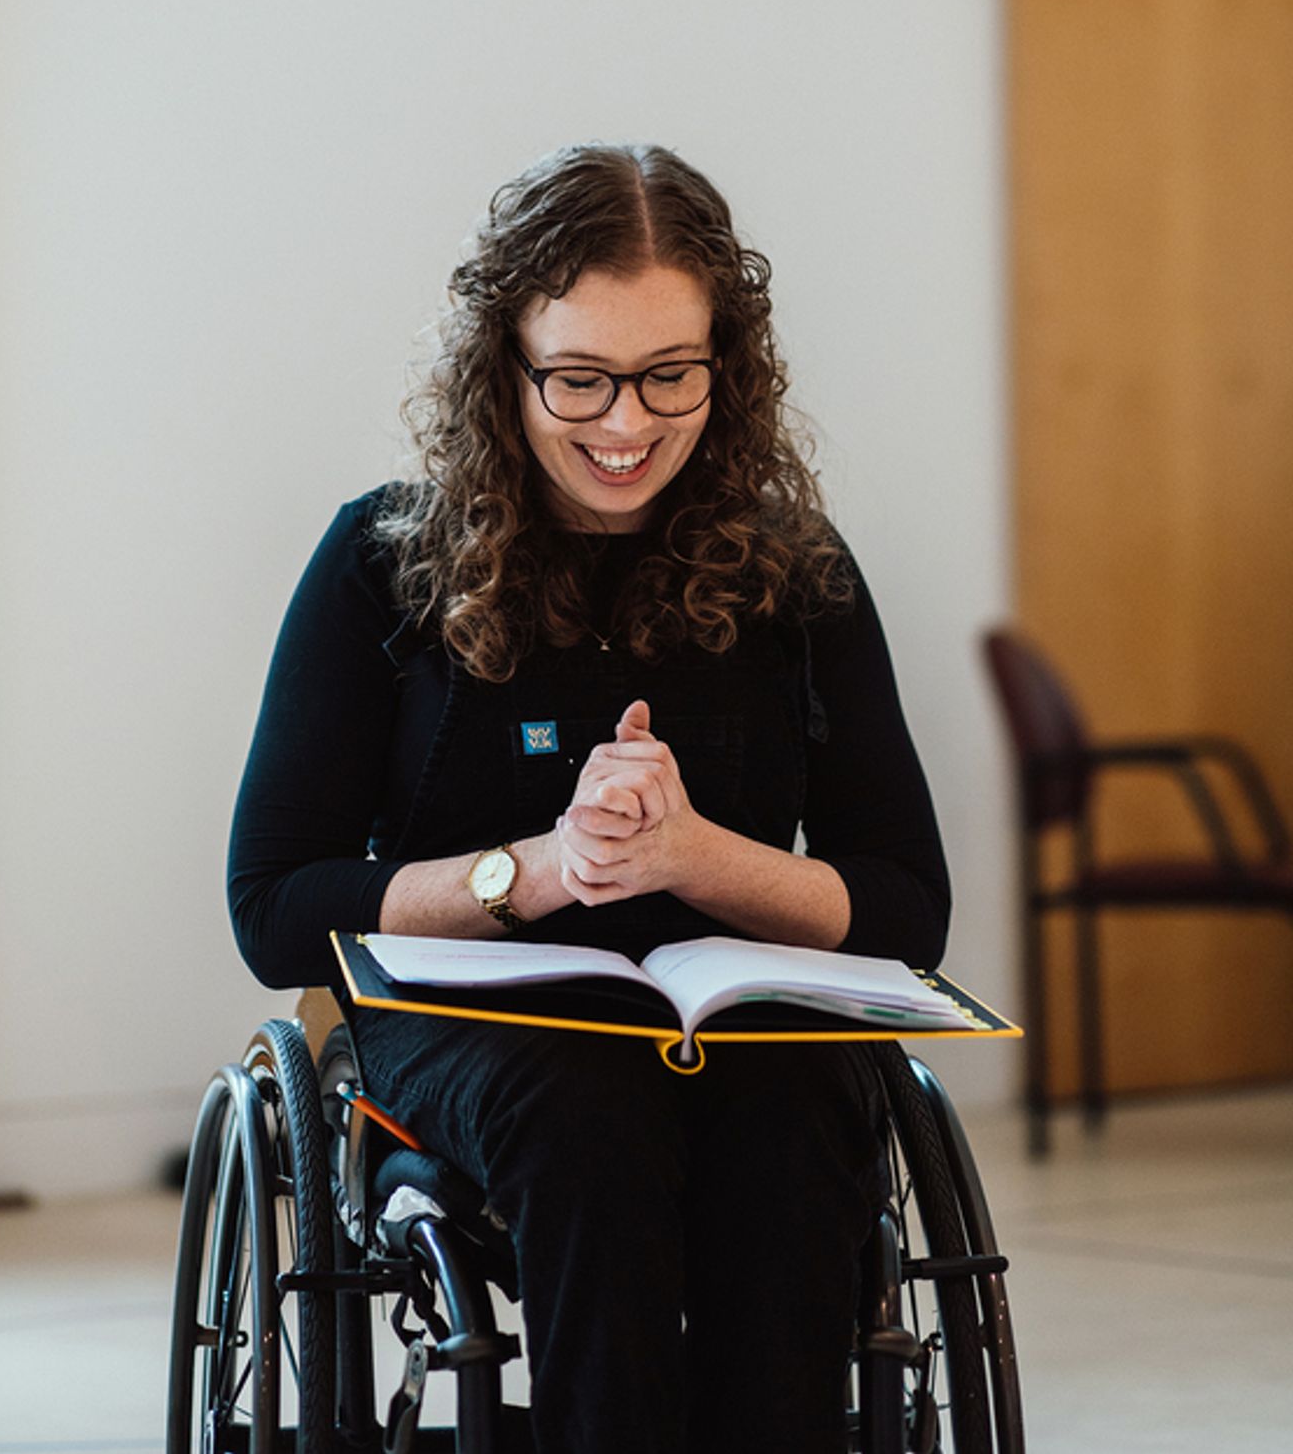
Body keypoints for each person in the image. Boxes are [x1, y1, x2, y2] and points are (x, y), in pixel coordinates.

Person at [229, 142, 950, 1454]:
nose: (626, 424)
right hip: (473, 1031)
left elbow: (908, 905)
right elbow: (277, 908)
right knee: (586, 1116)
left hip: (733, 1016)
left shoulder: (799, 577)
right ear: (502, 365)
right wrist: (539, 873)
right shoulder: (382, 563)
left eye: (671, 374)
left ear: (729, 367)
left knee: (793, 1118)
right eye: (579, 378)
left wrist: (695, 855)